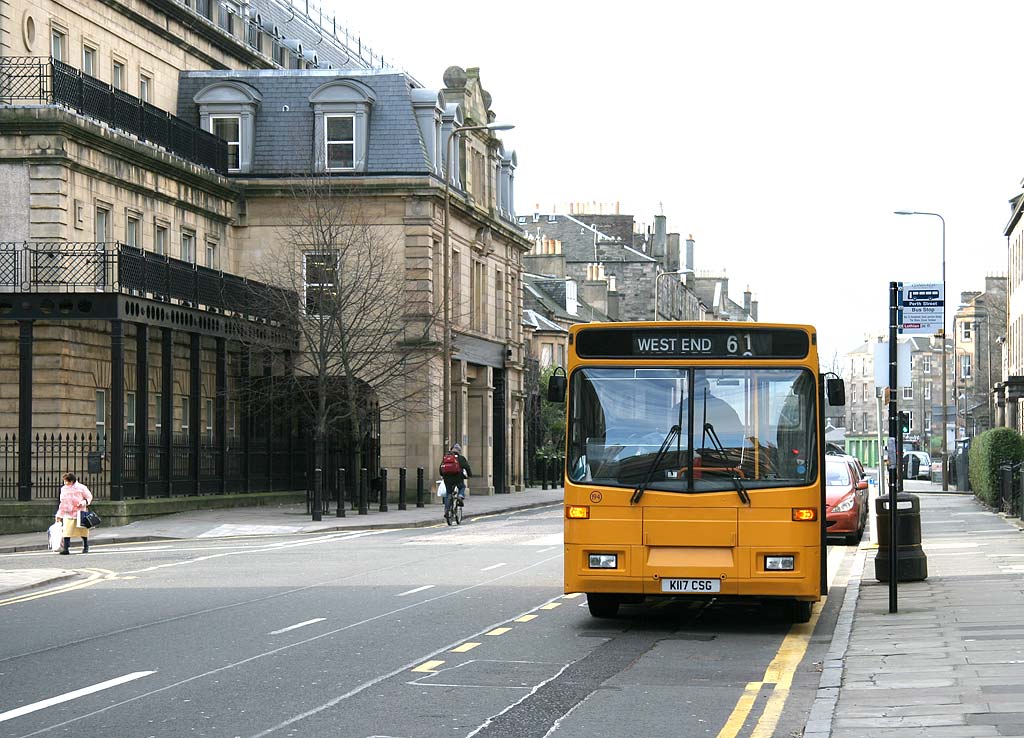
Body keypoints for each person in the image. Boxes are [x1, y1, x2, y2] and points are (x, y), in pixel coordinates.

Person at [55, 472, 93, 555]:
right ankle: (66, 549)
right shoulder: (64, 489)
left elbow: (89, 497)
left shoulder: (81, 488)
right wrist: (59, 515)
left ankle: (86, 546)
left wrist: (83, 503)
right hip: (68, 513)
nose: (65, 483)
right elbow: (62, 502)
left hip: (80, 513)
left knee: (83, 531)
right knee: (66, 531)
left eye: (66, 481)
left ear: (72, 481)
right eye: (64, 481)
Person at [439, 443, 472, 516]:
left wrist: (443, 475)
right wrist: (469, 475)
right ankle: (460, 496)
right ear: (459, 451)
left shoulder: (446, 458)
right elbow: (467, 467)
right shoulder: (461, 458)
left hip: (447, 478)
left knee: (448, 493)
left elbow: (441, 468)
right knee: (462, 487)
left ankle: (446, 511)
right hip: (458, 477)